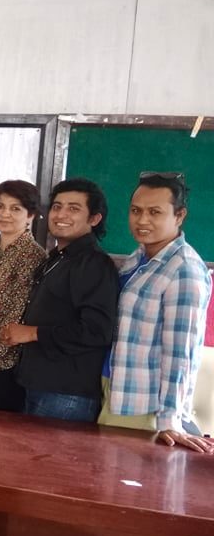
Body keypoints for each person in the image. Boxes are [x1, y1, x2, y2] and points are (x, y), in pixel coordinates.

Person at [100, 172, 213, 452]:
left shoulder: (184, 269)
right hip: (114, 387)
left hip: (144, 404)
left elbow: (181, 353)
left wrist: (170, 420)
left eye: (155, 212)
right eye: (136, 211)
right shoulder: (138, 257)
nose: (142, 220)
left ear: (179, 215)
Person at [1, 178, 119, 423]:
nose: (61, 214)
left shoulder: (94, 264)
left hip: (66, 394)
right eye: (57, 206)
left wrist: (32, 333)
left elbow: (97, 331)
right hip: (38, 384)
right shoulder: (58, 257)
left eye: (74, 209)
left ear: (94, 219)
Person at [0, 181, 47, 412]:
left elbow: (18, 309)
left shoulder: (33, 256)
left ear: (30, 215)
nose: (5, 214)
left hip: (8, 361)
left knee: (1, 426)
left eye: (15, 208)